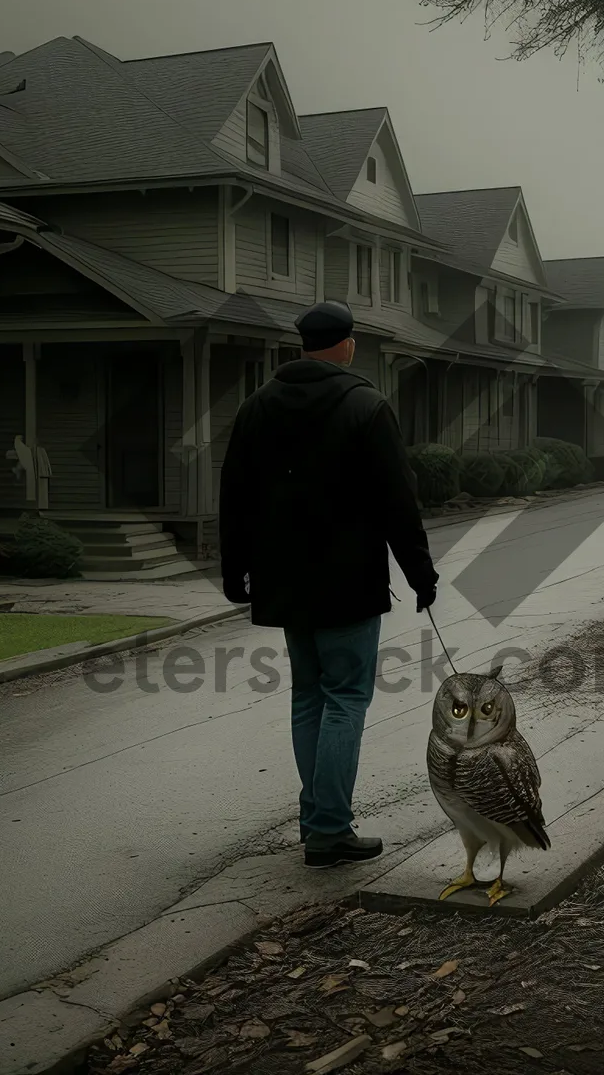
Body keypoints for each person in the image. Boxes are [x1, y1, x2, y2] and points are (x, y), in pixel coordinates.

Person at [218, 300, 439, 869]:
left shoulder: (256, 408)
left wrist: (232, 571)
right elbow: (398, 500)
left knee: (309, 697)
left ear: (302, 345)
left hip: (285, 582)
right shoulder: (366, 406)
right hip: (347, 582)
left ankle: (317, 819)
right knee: (345, 698)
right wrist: (421, 574)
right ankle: (328, 829)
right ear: (347, 345)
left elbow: (235, 497)